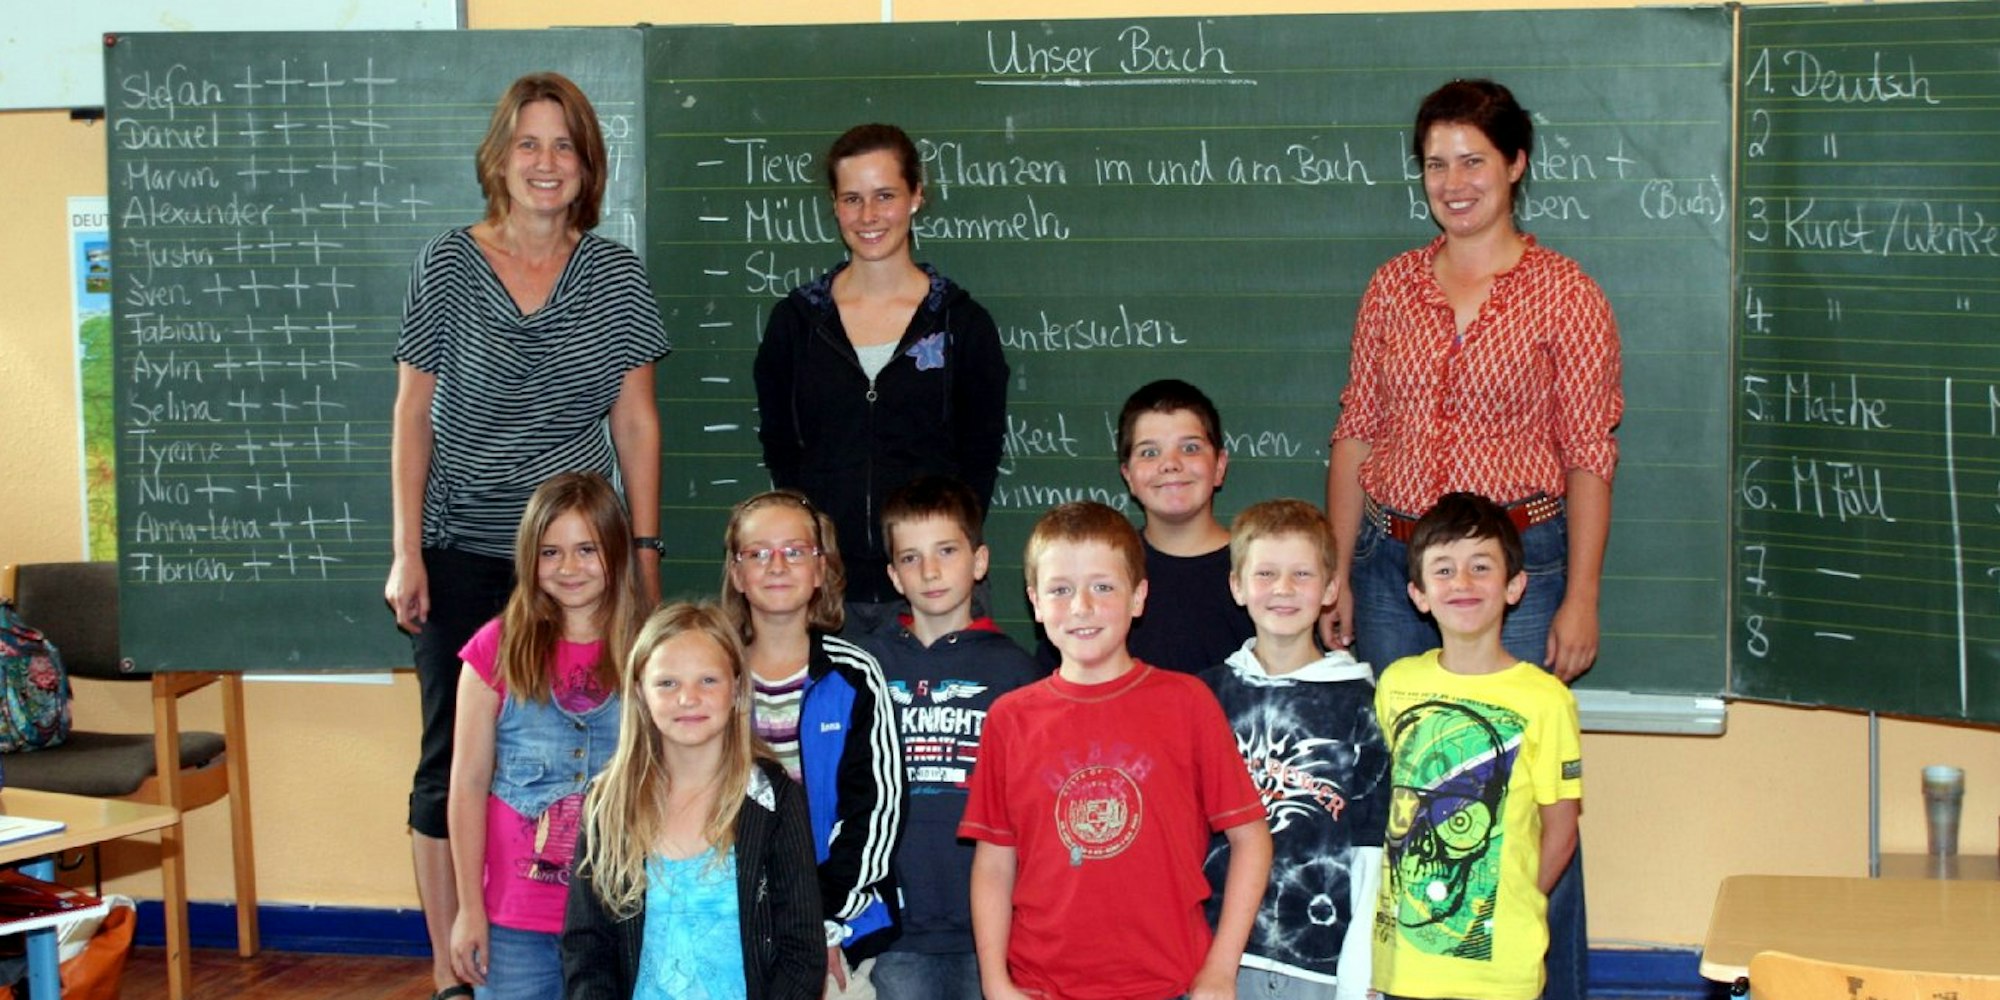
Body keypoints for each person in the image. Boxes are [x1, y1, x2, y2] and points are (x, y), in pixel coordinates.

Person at [1325, 79, 1618, 1000]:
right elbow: (1356, 431)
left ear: (1516, 165)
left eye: (1473, 161)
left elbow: (1589, 454)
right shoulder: (1392, 286)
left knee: (1524, 804)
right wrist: (1338, 571)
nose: (1453, 183)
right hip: (1392, 571)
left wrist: (1581, 596)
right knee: (1405, 789)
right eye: (1435, 164)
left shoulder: (1566, 293)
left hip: (1515, 574)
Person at [384, 71, 669, 1000]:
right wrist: (406, 550)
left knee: (598, 754)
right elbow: (413, 413)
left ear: (588, 164)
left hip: (582, 562)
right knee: (451, 763)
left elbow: (636, 422)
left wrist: (645, 554)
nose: (547, 163)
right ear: (499, 158)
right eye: (529, 144)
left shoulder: (614, 274)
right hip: (464, 552)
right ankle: (451, 973)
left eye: (565, 146)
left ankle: (592, 946)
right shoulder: (446, 264)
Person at [960, 501, 1273, 1000]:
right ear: (1034, 602)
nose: (1081, 606)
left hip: (1169, 983)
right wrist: (996, 982)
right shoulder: (1009, 718)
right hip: (1042, 984)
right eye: (1060, 590)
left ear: (1138, 596)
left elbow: (1251, 839)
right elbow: (995, 862)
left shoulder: (1187, 703)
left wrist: (1220, 970)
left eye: (1103, 587)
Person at [753, 123, 1009, 636]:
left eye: (885, 196)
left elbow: (979, 458)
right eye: (852, 199)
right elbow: (782, 448)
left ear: (916, 196)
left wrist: (935, 552)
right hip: (824, 592)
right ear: (835, 205)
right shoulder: (797, 324)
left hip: (932, 591)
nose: (868, 216)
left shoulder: (961, 324)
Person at [1370, 492, 1581, 1000]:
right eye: (1443, 570)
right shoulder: (1396, 684)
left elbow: (1561, 828)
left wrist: (1516, 903)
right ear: (1418, 594)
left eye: (1480, 567)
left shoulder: (1546, 699)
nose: (1462, 583)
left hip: (1500, 973)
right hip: (1402, 968)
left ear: (1514, 585)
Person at [562, 601, 825, 1000]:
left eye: (708, 680)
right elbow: (586, 951)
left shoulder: (773, 799)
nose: (688, 698)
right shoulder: (608, 804)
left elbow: (802, 951)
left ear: (736, 688)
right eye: (668, 683)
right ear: (640, 693)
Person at [445, 472, 643, 999]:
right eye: (551, 552)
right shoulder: (494, 649)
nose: (569, 568)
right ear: (529, 558)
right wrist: (468, 909)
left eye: (586, 550)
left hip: (620, 915)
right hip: (513, 921)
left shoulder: (652, 651)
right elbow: (466, 785)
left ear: (616, 551)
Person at [1199, 499, 1388, 1000]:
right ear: (1237, 585)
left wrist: (1359, 972)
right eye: (1265, 573)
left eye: (1302, 574)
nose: (1283, 589)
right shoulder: (1203, 697)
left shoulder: (1360, 704)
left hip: (1318, 962)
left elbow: (1371, 848)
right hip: (1213, 956)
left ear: (1330, 589)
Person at [721, 489, 906, 998]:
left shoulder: (855, 675)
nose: (777, 565)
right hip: (729, 921)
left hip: (837, 924)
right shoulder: (714, 674)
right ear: (737, 574)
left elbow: (875, 810)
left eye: (795, 551)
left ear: (821, 568)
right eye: (758, 553)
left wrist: (818, 921)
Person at [861, 476, 1040, 1000]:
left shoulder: (1016, 673)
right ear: (894, 575)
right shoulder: (866, 666)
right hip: (896, 929)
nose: (930, 571)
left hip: (993, 928)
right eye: (910, 558)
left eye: (946, 551)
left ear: (979, 561)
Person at [1034, 380, 1253, 675]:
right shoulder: (1102, 570)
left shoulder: (1263, 572)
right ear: (1128, 475)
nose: (1170, 464)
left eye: (1190, 448)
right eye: (1149, 453)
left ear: (1220, 465)